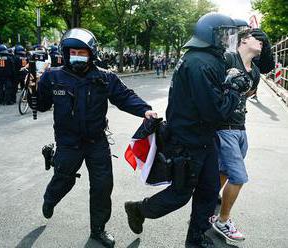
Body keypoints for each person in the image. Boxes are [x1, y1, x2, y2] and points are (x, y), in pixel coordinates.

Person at [123, 13, 251, 248]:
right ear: (209, 35)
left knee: (210, 191)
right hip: (189, 140)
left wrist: (230, 84)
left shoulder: (205, 58)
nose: (227, 40)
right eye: (224, 34)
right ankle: (139, 209)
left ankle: (195, 239)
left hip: (203, 137)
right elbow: (214, 112)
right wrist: (233, 91)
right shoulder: (200, 63)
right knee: (180, 194)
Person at [29, 28, 157, 248]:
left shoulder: (104, 77)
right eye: (73, 51)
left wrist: (145, 110)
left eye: (82, 52)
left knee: (102, 185)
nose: (77, 55)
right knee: (63, 179)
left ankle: (98, 229)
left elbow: (125, 97)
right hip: (68, 142)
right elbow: (41, 104)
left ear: (92, 53)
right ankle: (50, 199)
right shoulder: (53, 76)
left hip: (96, 141)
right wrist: (33, 93)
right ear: (65, 53)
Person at [211, 28, 263, 242]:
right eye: (256, 38)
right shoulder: (228, 59)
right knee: (238, 177)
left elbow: (250, 92)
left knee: (224, 170)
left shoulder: (256, 71)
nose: (261, 42)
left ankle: (206, 201)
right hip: (224, 128)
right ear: (243, 41)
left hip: (241, 128)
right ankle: (222, 220)